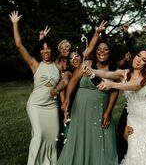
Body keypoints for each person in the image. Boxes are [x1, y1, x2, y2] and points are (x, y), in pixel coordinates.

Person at [91, 49, 146, 165]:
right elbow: (106, 74)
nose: (138, 60)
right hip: (134, 120)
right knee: (135, 154)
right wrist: (90, 70)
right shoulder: (124, 73)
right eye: (138, 56)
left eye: (143, 60)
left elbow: (136, 86)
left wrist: (112, 84)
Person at [10, 11, 60, 164]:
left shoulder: (58, 65)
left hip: (51, 106)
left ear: (52, 50)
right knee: (38, 135)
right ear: (39, 51)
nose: (45, 51)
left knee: (52, 138)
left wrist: (43, 39)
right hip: (36, 105)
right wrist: (15, 23)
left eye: (48, 48)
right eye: (42, 49)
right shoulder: (34, 64)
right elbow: (19, 45)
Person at [57, 40, 118, 165]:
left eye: (105, 49)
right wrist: (67, 98)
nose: (102, 52)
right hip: (80, 107)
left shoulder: (113, 70)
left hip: (101, 109)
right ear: (95, 52)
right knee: (80, 136)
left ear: (110, 52)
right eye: (99, 49)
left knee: (100, 136)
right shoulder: (86, 63)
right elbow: (73, 81)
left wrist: (108, 112)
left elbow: (114, 92)